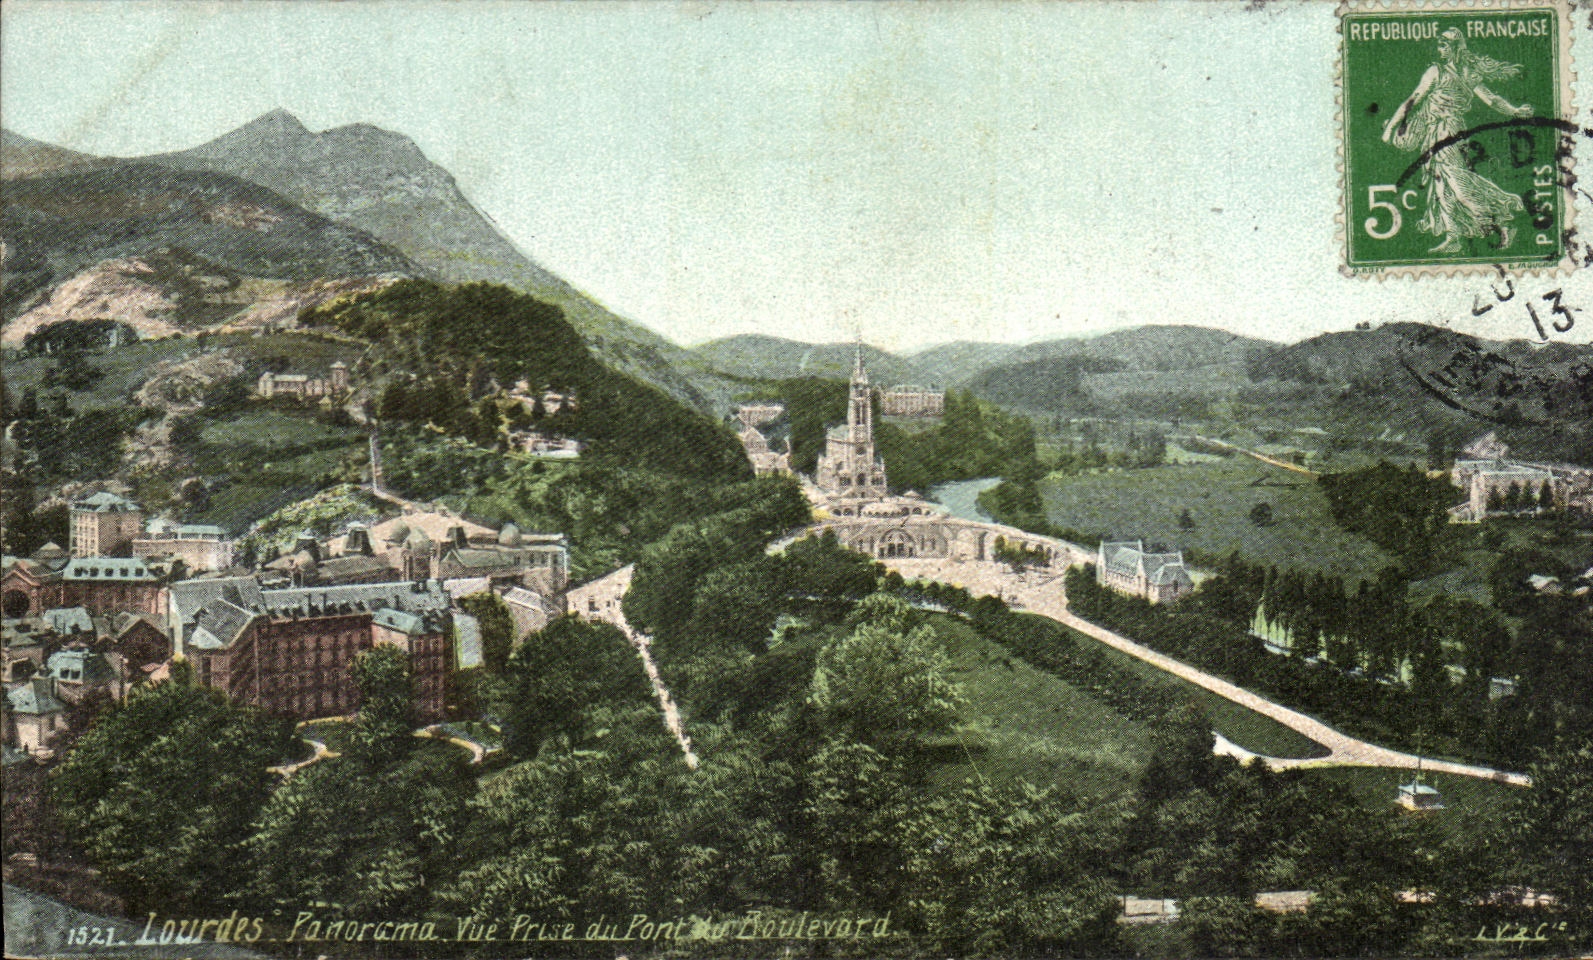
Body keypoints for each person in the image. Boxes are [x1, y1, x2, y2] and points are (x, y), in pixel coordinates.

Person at [1382, 28, 1534, 253]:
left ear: (1455, 48)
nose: (1440, 49)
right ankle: (1454, 236)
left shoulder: (1463, 73)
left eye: (1444, 45)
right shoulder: (1436, 71)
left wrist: (1515, 110)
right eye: (1439, 45)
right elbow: (1413, 100)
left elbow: (1491, 99)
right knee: (1442, 186)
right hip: (1435, 131)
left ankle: (1500, 221)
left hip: (1450, 132)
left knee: (1458, 184)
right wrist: (1393, 126)